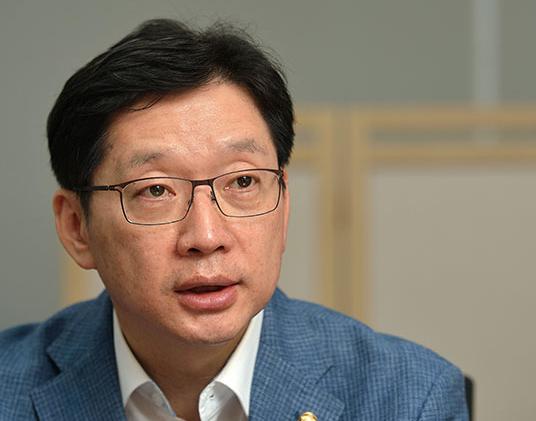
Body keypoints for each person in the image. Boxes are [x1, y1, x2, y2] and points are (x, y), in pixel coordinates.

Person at [0, 19, 468, 421]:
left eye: (243, 182)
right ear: (76, 228)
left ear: (284, 205)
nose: (206, 237)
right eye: (156, 190)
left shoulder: (406, 398)